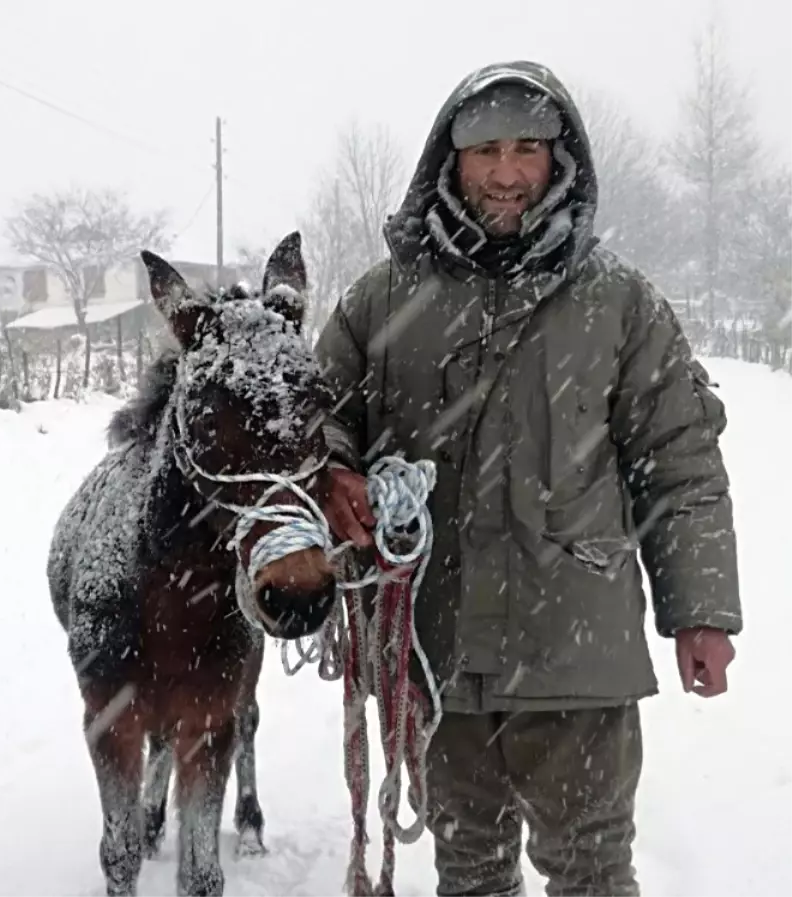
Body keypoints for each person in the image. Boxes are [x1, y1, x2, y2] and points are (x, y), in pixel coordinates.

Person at [316, 60, 741, 897]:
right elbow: (318, 415)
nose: (506, 174)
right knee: (469, 872)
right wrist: (332, 470)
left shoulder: (619, 302)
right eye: (484, 152)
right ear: (450, 159)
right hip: (437, 655)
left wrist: (700, 611)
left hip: (577, 659)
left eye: (527, 149)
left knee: (590, 871)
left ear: (561, 158)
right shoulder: (385, 297)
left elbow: (680, 461)